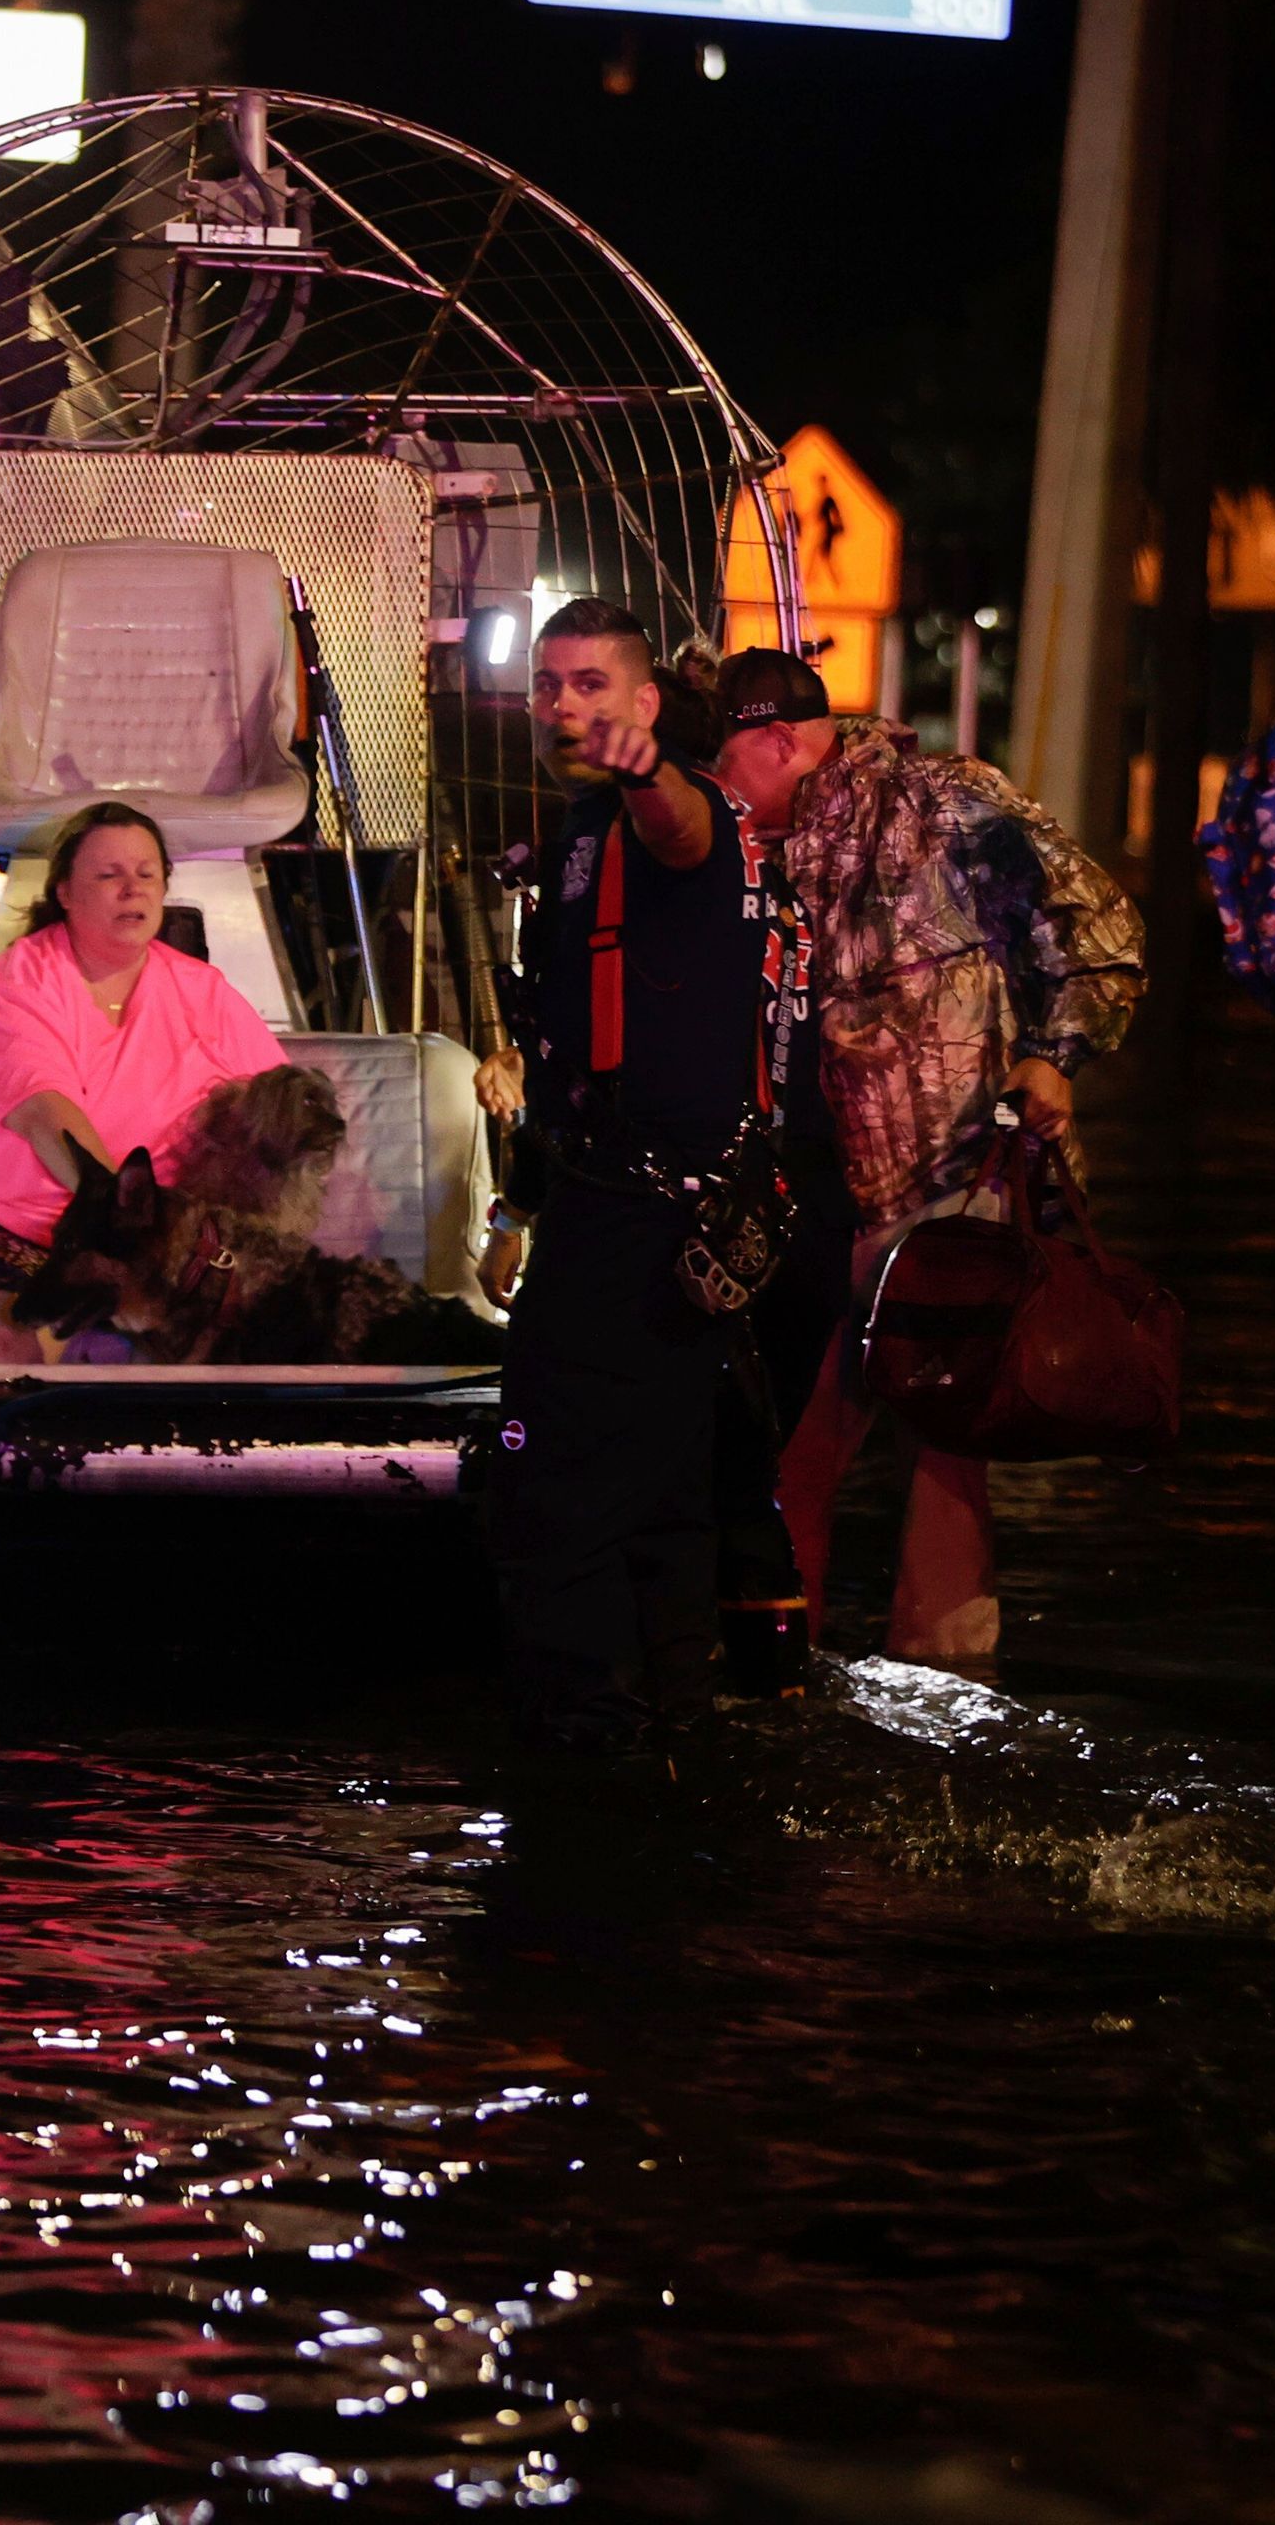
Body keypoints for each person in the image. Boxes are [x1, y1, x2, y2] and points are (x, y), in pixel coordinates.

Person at [706, 645, 1146, 1666]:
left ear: (777, 739)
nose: (719, 791)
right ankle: (776, 1687)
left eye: (726, 764)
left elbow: (1097, 930)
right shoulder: (742, 852)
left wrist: (1052, 1059)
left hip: (952, 1194)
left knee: (946, 1463)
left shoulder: (943, 801)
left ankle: (942, 1699)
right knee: (790, 1452)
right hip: (809, 1207)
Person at [491, 598, 786, 1748]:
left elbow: (680, 829)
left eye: (592, 687)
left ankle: (589, 1734)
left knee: (551, 1472)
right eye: (550, 686)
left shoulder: (675, 807)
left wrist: (647, 767)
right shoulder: (579, 827)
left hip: (647, 1216)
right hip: (635, 1205)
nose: (567, 706)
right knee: (663, 1488)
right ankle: (675, 1720)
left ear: (647, 703)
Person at [0, 802, 286, 1362]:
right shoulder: (19, 980)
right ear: (65, 892)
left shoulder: (205, 992)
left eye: (146, 874)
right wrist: (129, 1225)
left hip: (147, 1251)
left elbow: (277, 1111)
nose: (132, 890)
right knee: (6, 1352)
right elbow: (45, 1115)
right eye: (108, 875)